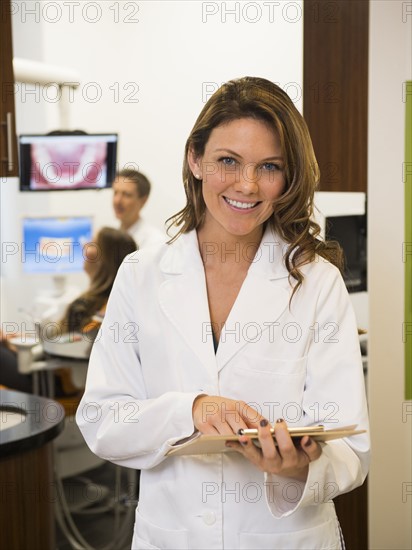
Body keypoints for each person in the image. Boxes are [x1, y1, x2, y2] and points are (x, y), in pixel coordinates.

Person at [77, 77, 370, 549]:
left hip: (284, 537)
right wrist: (189, 410)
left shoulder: (317, 283)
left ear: (289, 176)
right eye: (228, 161)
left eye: (269, 166)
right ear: (196, 159)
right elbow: (101, 420)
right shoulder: (141, 275)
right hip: (172, 536)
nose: (247, 185)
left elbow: (352, 451)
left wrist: (299, 468)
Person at [0, 227, 137, 395]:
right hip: (62, 373)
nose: (85, 246)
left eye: (92, 242)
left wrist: (20, 346)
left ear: (104, 259)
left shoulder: (87, 306)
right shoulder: (110, 303)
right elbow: (66, 341)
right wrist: (21, 341)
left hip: (59, 381)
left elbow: (61, 348)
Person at [112, 168, 165, 248]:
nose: (117, 201)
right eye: (115, 193)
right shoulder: (111, 237)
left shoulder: (156, 242)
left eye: (126, 194)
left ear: (143, 201)